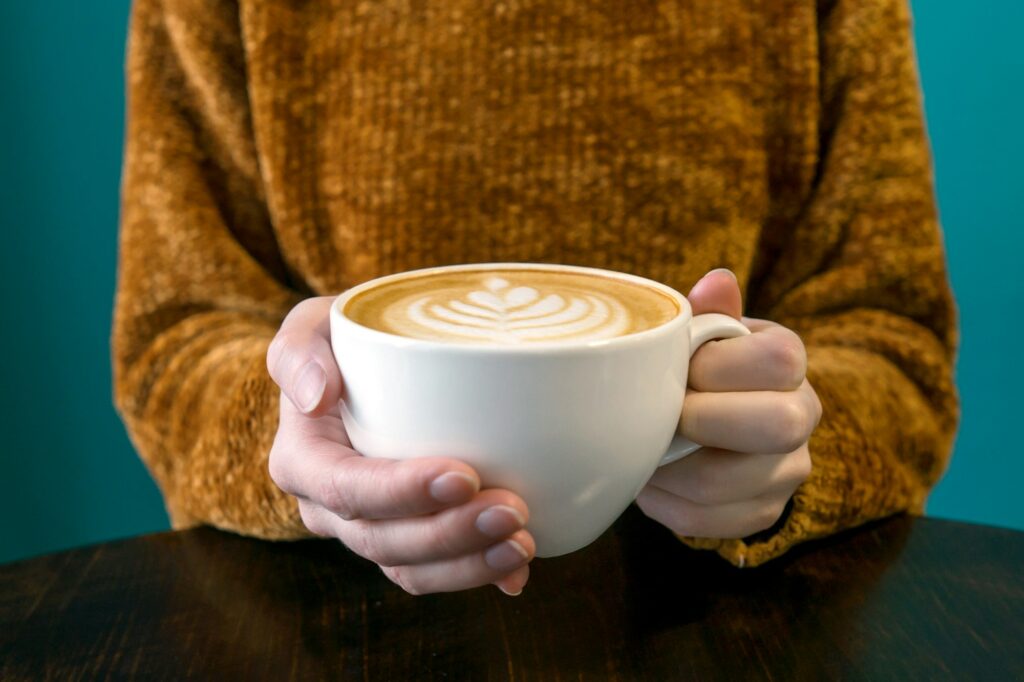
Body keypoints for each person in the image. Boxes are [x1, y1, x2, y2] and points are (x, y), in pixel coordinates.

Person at [113, 0, 958, 597]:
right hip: (322, 610)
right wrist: (297, 430)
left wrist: (786, 441)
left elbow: (890, 336)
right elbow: (174, 335)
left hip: (732, 610)